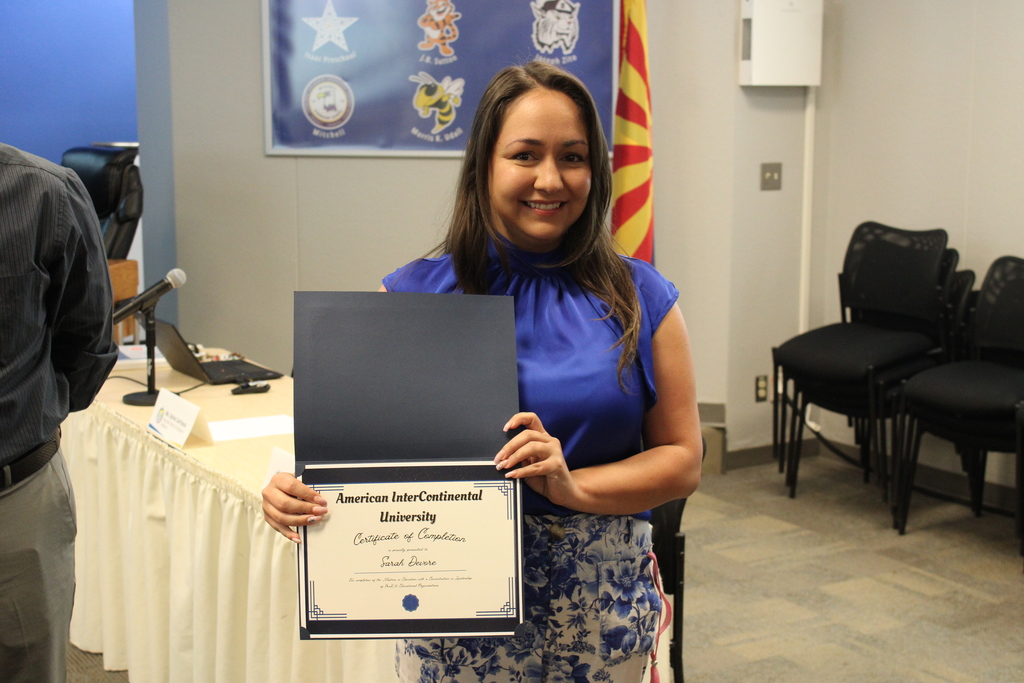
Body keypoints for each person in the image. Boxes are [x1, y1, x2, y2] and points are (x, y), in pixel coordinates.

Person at [262, 62, 702, 682]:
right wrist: (297, 495)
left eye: (572, 157)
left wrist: (572, 487)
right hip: (451, 618)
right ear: (484, 165)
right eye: (525, 155)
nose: (550, 179)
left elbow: (683, 459)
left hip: (598, 615)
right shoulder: (412, 296)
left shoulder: (642, 298)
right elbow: (360, 462)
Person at [0, 143, 118, 683]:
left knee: (28, 666)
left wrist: (29, 411)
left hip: (14, 498)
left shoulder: (41, 192)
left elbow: (87, 342)